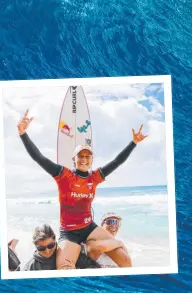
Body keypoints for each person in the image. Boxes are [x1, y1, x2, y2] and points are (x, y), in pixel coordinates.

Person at [17, 109, 147, 270]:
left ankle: (92, 252)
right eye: (80, 156)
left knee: (125, 260)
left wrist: (133, 143)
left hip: (89, 228)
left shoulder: (95, 177)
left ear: (91, 160)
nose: (84, 159)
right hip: (69, 233)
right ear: (74, 159)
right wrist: (23, 134)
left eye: (87, 157)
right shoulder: (63, 175)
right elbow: (39, 158)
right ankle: (84, 252)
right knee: (64, 268)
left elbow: (117, 162)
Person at [23, 224, 101, 271]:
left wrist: (77, 271)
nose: (47, 251)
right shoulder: (31, 267)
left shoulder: (67, 252)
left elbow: (96, 269)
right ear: (35, 246)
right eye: (41, 248)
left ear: (55, 239)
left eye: (50, 246)